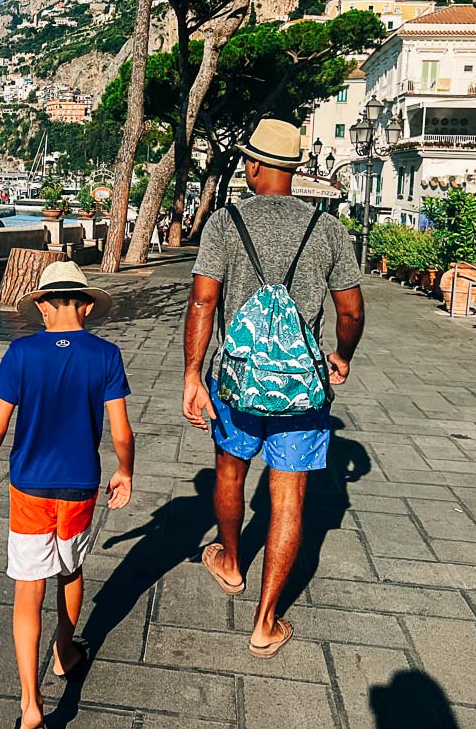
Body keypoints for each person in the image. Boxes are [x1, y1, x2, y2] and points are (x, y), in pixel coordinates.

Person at [182, 118, 365, 660]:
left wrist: (193, 375)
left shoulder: (224, 222)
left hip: (236, 381)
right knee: (288, 499)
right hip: (301, 389)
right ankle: (265, 623)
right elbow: (351, 311)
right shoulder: (328, 228)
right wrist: (341, 355)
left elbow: (202, 303)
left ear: (256, 164)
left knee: (231, 472)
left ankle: (231, 563)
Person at [0, 261, 135, 729]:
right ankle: (66, 651)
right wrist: (125, 471)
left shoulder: (22, 353)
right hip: (80, 484)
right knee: (70, 568)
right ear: (86, 306)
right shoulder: (106, 355)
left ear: (43, 305)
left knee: (29, 589)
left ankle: (31, 704)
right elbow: (121, 431)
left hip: (30, 485)